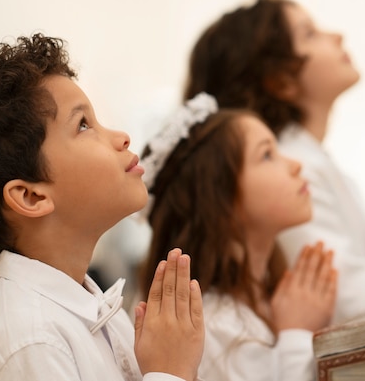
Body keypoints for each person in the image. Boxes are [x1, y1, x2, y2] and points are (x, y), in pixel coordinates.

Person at [0, 33, 204, 381]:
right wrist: (170, 372)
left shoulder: (87, 309)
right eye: (84, 125)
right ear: (32, 197)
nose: (121, 137)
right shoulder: (32, 341)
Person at [183, 0, 365, 324]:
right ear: (279, 81)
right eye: (309, 34)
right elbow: (357, 311)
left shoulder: (305, 160)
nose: (338, 35)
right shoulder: (293, 172)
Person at [137, 92, 337, 381]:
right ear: (221, 200)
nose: (295, 165)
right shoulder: (220, 328)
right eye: (267, 155)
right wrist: (297, 333)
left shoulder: (264, 299)